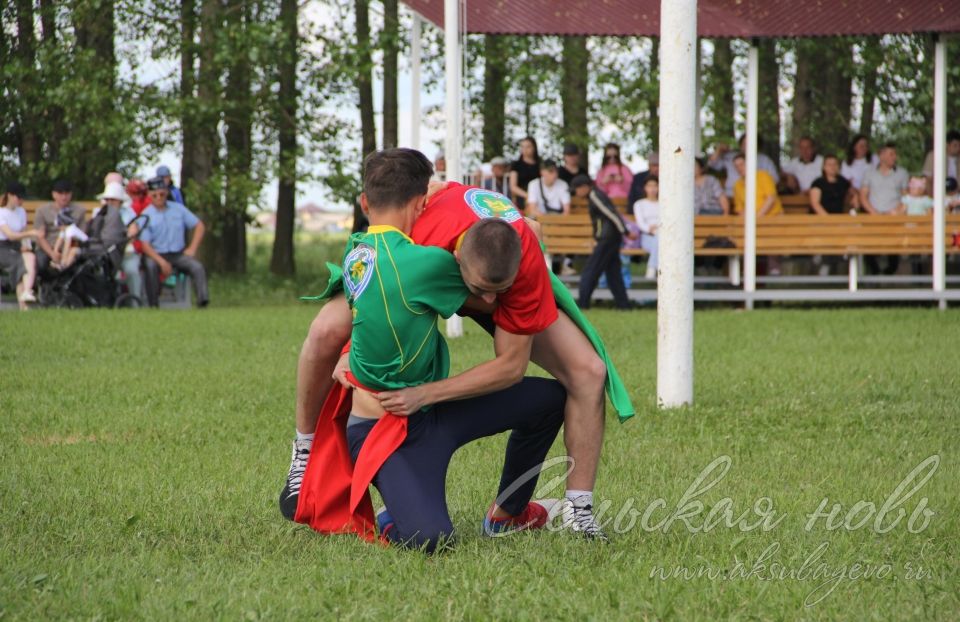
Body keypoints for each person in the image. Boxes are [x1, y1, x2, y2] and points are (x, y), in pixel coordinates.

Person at [285, 160, 636, 542]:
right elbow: (376, 293)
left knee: (589, 371)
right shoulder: (421, 237)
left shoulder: (523, 260)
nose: (488, 300)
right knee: (324, 331)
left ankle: (574, 511)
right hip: (430, 273)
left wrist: (425, 394)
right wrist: (350, 349)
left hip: (479, 298)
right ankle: (303, 452)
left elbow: (511, 367)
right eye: (481, 289)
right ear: (454, 261)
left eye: (497, 291)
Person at [139, 176, 209, 307]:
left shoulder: (178, 209)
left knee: (197, 267)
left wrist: (192, 248)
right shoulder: (146, 215)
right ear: (149, 195)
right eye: (155, 195)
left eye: (161, 194)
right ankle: (153, 305)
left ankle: (202, 302)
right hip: (156, 254)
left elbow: (199, 226)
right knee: (150, 266)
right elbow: (145, 245)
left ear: (166, 193)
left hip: (177, 254)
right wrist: (162, 262)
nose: (159, 197)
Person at [572, 175, 634, 309]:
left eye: (577, 189)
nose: (576, 193)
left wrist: (625, 232)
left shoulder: (595, 195)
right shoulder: (595, 195)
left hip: (607, 239)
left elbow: (611, 213)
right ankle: (624, 306)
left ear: (584, 187)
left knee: (590, 270)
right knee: (613, 273)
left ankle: (583, 304)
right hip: (610, 238)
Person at [860, 143, 909, 274]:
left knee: (894, 245)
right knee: (866, 243)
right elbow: (863, 196)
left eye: (895, 154)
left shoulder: (902, 173)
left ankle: (889, 272)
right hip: (873, 216)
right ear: (881, 156)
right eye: (891, 154)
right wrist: (873, 212)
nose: (895, 157)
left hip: (894, 216)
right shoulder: (869, 173)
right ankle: (875, 272)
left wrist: (897, 211)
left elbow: (906, 197)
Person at [33, 179, 87, 276]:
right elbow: (39, 237)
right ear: (54, 194)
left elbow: (82, 234)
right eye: (60, 193)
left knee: (79, 258)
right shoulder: (42, 211)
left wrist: (68, 249)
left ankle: (63, 275)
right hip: (48, 247)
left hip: (70, 247)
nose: (64, 197)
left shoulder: (79, 211)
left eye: (67, 193)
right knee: (40, 262)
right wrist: (52, 253)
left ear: (71, 194)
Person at [0, 181, 39, 310]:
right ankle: (24, 304)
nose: (21, 201)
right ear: (10, 195)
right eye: (18, 197)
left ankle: (27, 292)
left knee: (30, 257)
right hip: (3, 247)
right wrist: (31, 233)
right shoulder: (1, 213)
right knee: (20, 263)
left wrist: (27, 246)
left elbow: (22, 232)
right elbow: (10, 235)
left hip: (16, 246)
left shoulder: (21, 211)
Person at [710, 135, 780, 198]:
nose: (746, 146)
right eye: (744, 144)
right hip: (731, 195)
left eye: (750, 143)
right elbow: (712, 164)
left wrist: (759, 190)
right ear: (740, 145)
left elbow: (775, 179)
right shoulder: (731, 156)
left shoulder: (764, 160)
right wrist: (719, 149)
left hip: (756, 197)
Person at [632, 175, 662, 280]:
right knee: (658, 239)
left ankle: (651, 268)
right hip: (646, 236)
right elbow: (640, 223)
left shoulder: (664, 203)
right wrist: (650, 229)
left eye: (655, 186)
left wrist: (657, 228)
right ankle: (656, 268)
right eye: (649, 186)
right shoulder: (639, 204)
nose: (652, 189)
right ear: (645, 188)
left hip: (662, 234)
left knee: (659, 237)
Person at [921, 130, 960, 194]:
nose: (958, 148)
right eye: (955, 145)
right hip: (938, 195)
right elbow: (928, 180)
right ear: (947, 144)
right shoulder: (933, 156)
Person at [508, 136, 541, 211]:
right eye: (523, 147)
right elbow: (513, 187)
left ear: (534, 148)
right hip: (522, 196)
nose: (525, 149)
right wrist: (528, 195)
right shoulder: (516, 165)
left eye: (528, 147)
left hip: (539, 196)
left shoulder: (540, 165)